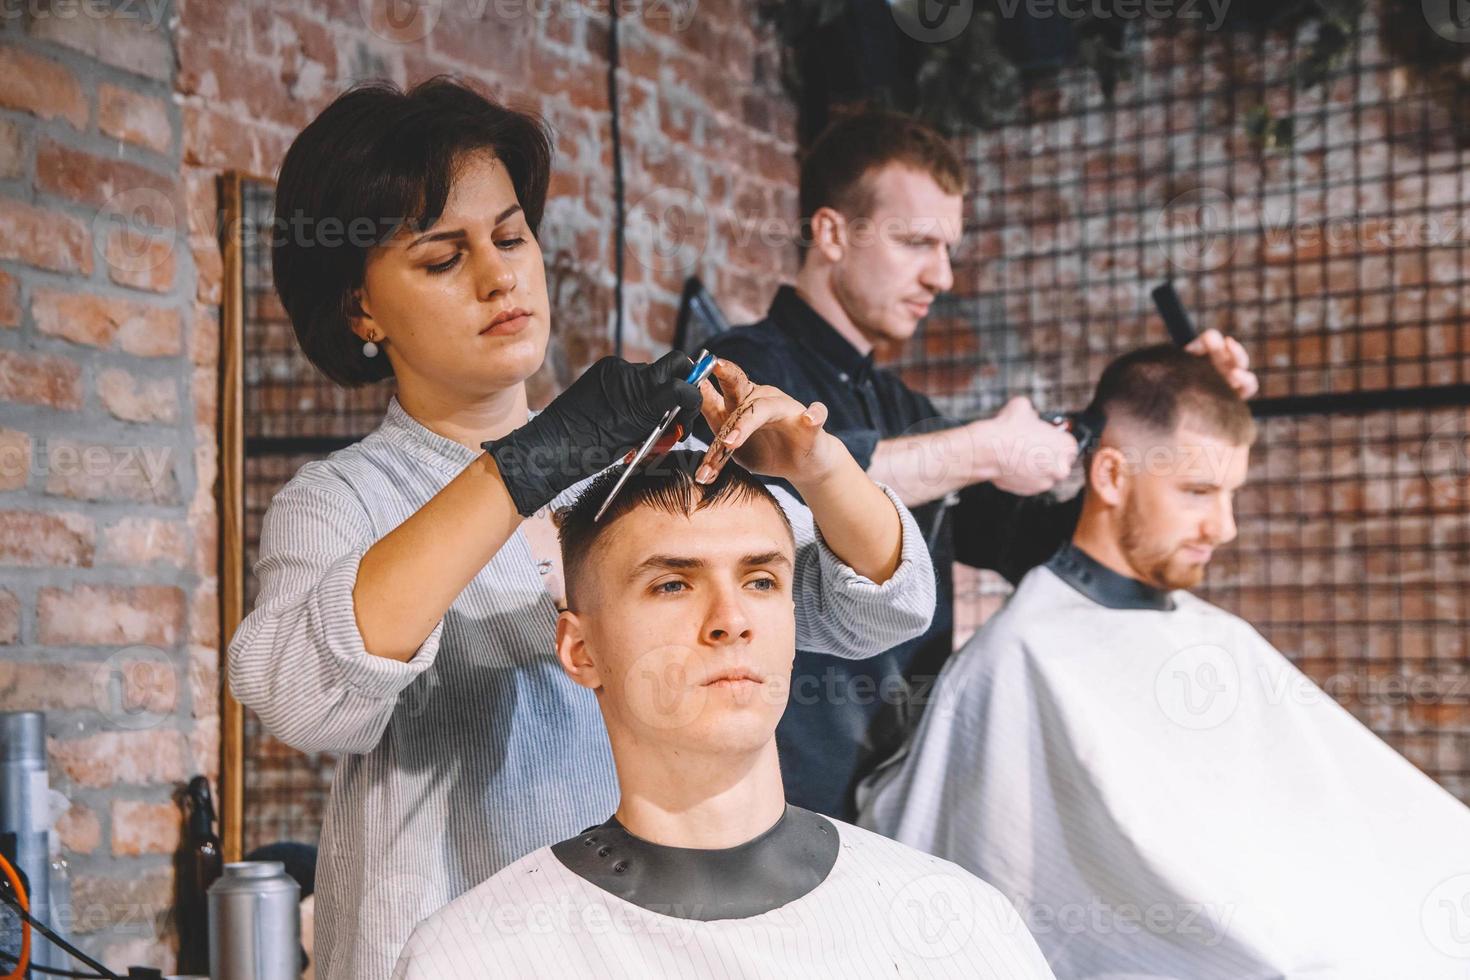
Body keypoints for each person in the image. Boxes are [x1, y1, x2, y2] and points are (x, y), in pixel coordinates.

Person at [228, 78, 937, 980]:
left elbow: (885, 604)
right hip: (440, 944)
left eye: (511, 235)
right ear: (361, 309)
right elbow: (299, 694)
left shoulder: (638, 479)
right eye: (443, 259)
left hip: (641, 946)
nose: (499, 277)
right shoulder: (344, 500)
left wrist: (818, 465)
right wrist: (529, 461)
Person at [701, 108, 1262, 820]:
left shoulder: (904, 407)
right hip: (780, 794)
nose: (942, 275)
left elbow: (1032, 544)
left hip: (898, 797)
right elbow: (785, 486)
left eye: (949, 247)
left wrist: (1154, 406)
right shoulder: (737, 374)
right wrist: (981, 450)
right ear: (832, 233)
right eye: (915, 243)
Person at [857, 345, 1470, 978]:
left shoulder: (1216, 636)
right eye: (1199, 492)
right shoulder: (1023, 658)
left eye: (1230, 493)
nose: (1224, 527)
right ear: (1113, 477)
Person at [391, 453, 1055, 979]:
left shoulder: (953, 921)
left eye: (760, 581)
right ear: (581, 650)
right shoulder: (477, 957)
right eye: (673, 584)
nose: (731, 620)